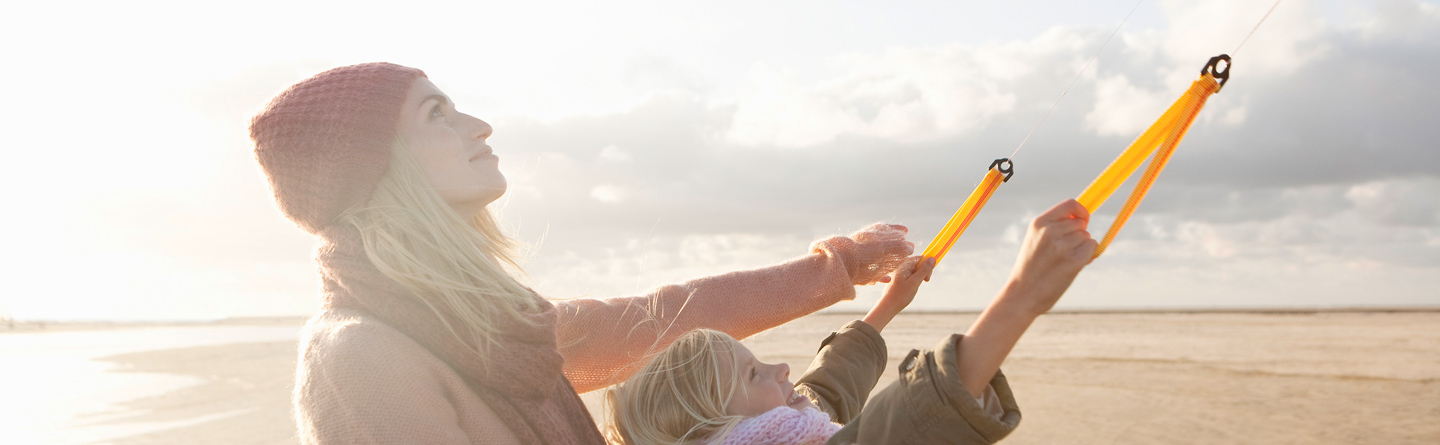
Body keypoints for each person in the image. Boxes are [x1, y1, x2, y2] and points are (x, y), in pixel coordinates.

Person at [249, 62, 916, 444]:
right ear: (375, 168)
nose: (477, 126)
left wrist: (843, 266)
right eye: (436, 115)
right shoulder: (358, 357)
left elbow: (657, 318)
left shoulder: (495, 322)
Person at [605, 200, 1099, 444]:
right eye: (751, 373)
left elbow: (828, 386)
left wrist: (889, 305)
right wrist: (1024, 295)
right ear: (719, 430)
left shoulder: (794, 426)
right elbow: (905, 425)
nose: (780, 368)